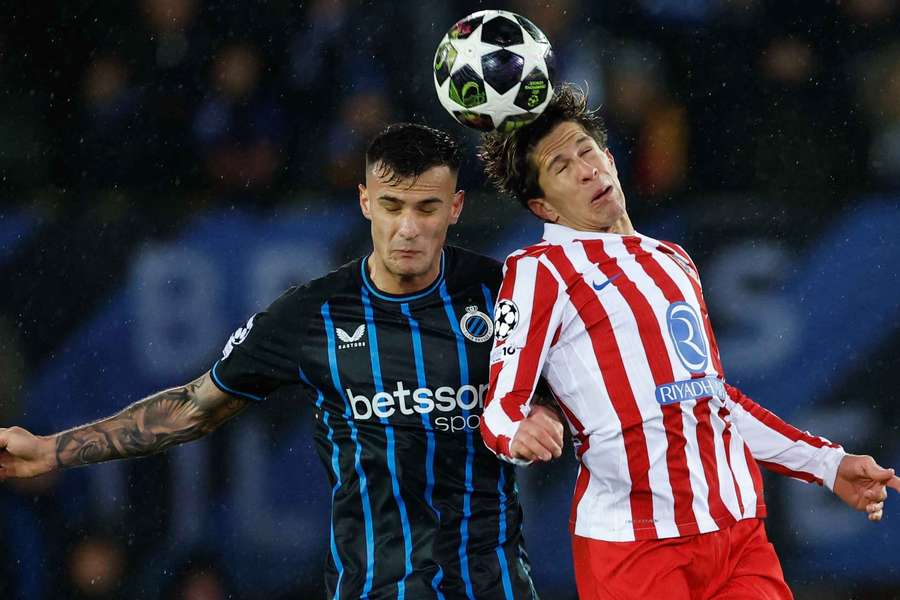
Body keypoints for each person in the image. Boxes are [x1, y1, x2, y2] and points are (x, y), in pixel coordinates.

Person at [0, 123, 564, 599]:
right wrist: (53, 449)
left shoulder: (506, 295)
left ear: (457, 207)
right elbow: (194, 408)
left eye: (427, 207)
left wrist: (545, 410)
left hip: (496, 587)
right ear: (365, 201)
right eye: (391, 205)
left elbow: (592, 390)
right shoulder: (310, 313)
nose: (408, 227)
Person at [477, 85, 900, 599]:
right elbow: (500, 405)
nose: (586, 169)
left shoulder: (672, 259)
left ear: (609, 157)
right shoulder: (539, 271)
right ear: (543, 206)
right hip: (637, 549)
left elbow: (713, 399)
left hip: (737, 534)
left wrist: (827, 465)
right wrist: (517, 430)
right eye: (562, 167)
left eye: (587, 151)